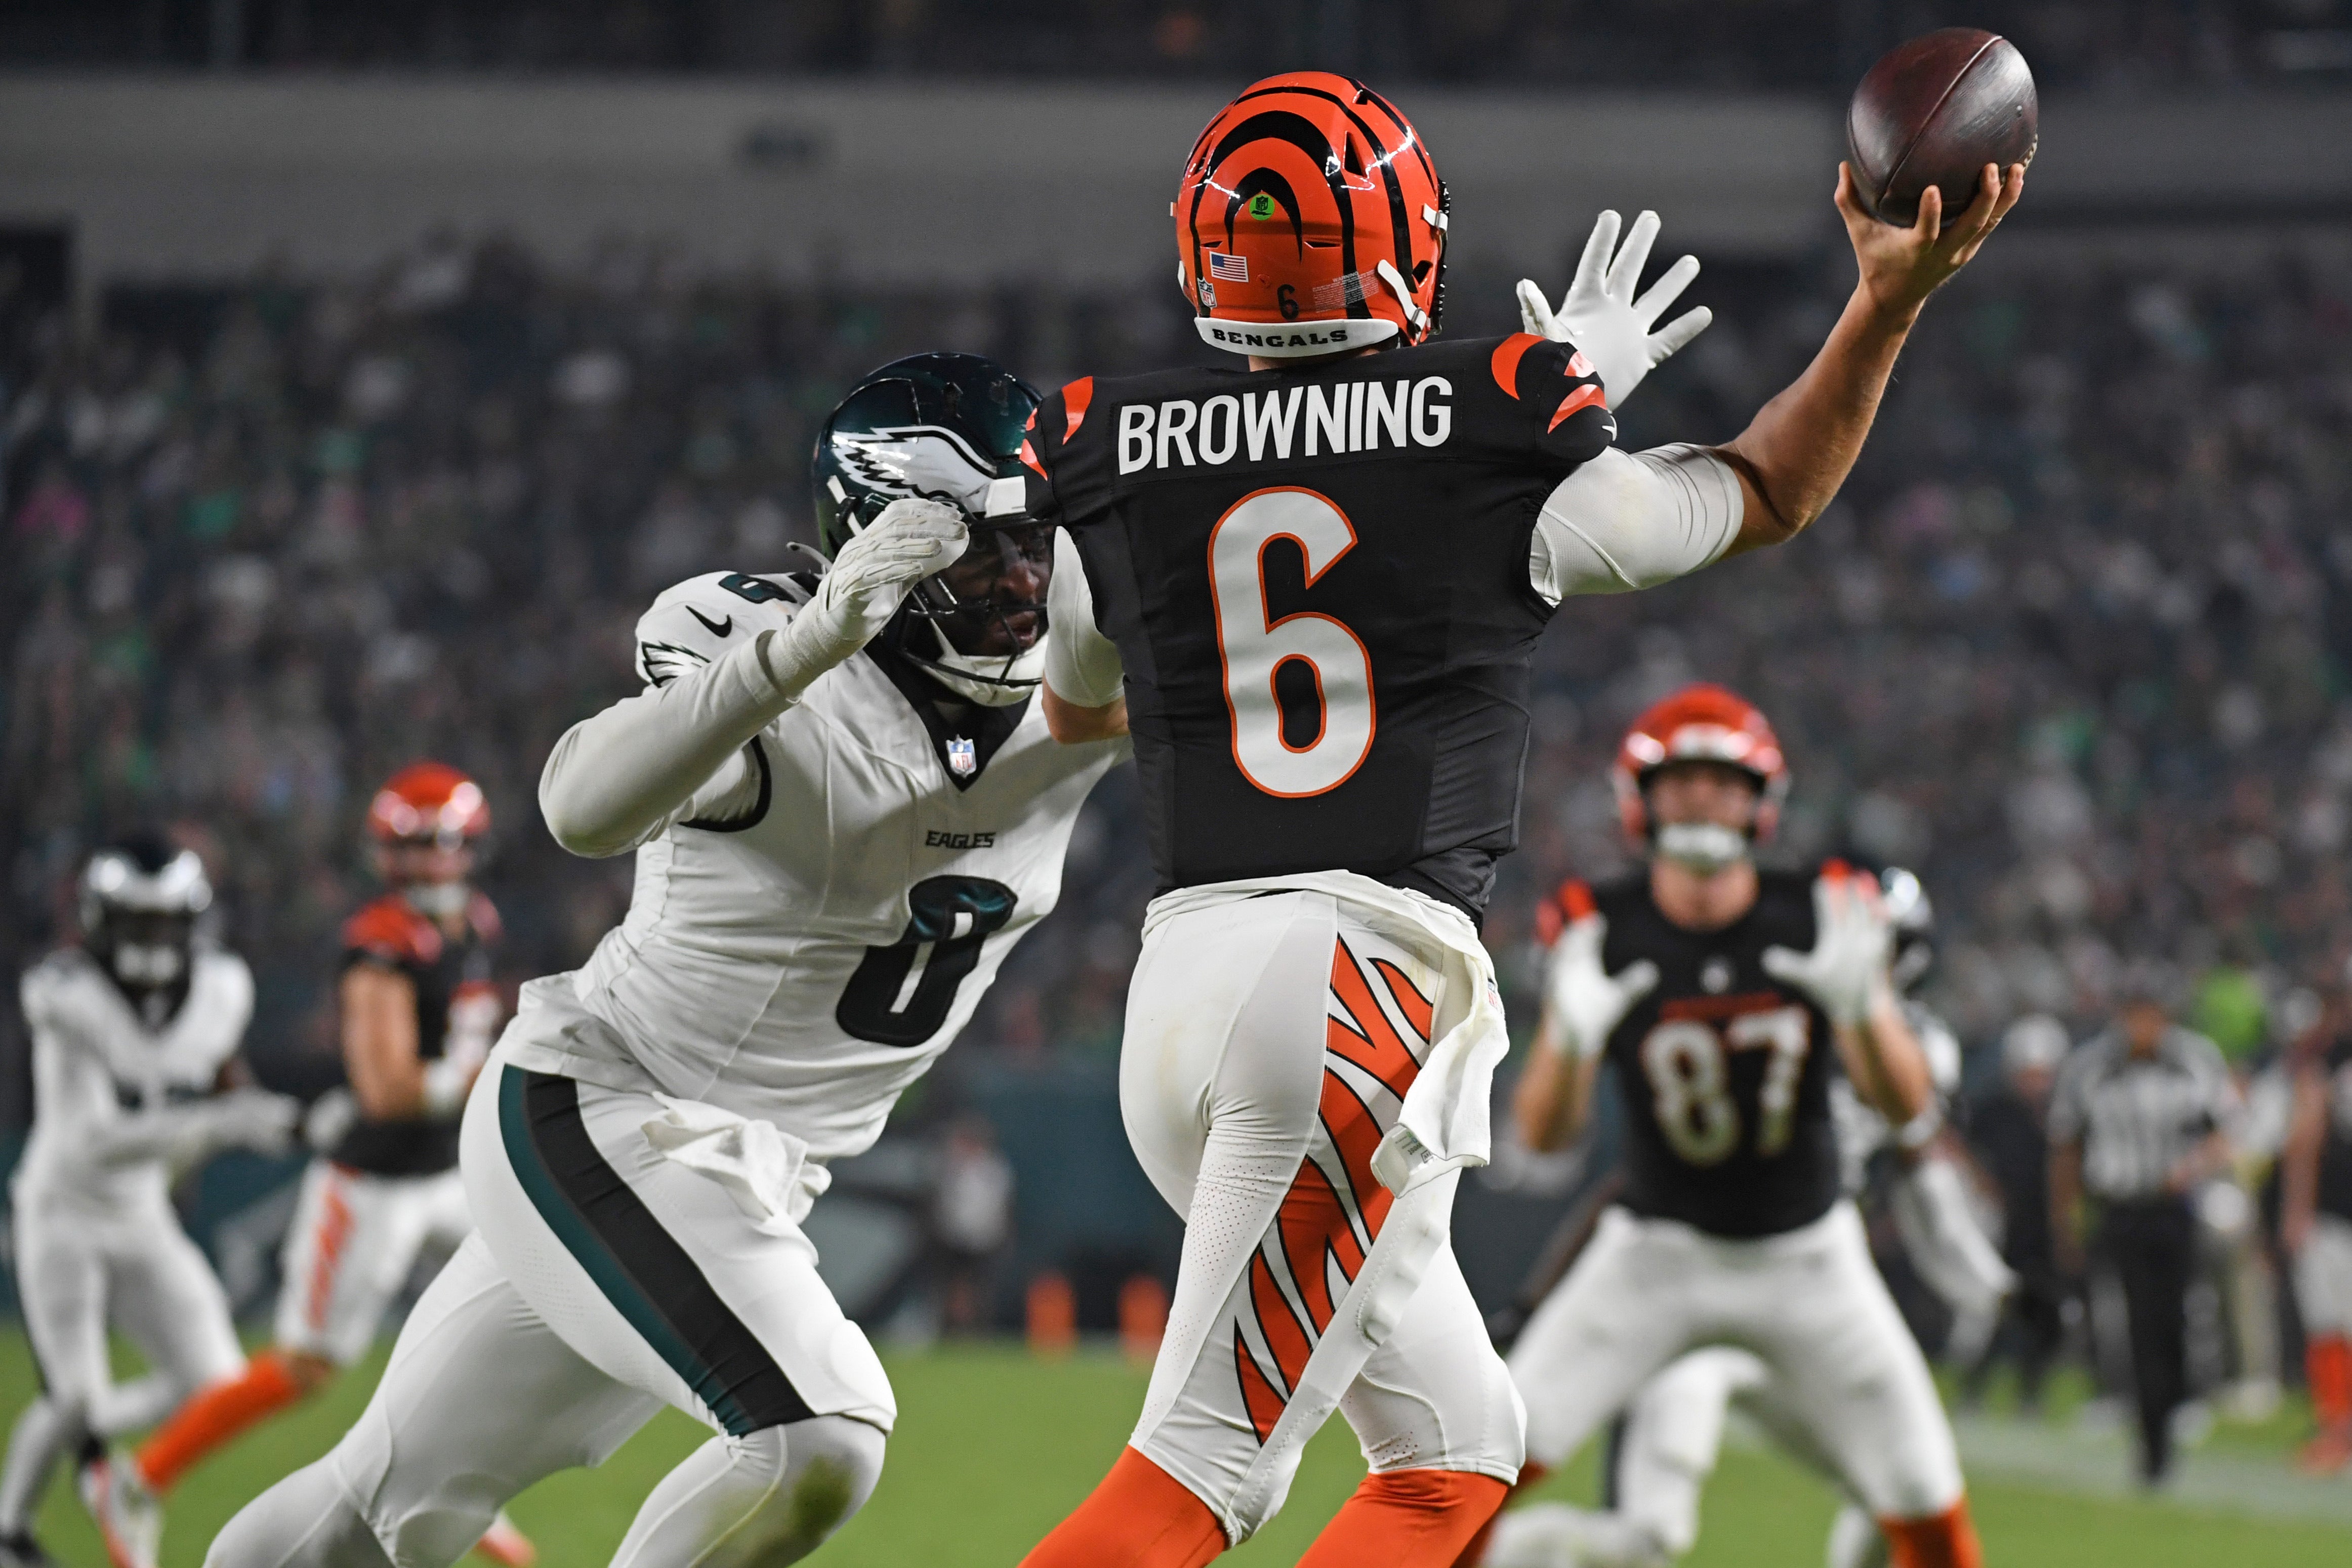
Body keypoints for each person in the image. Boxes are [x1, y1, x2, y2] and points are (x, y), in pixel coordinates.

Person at [1016, 71, 2021, 1568]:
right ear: (1407, 240)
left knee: (1455, 1453)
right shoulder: (1495, 419)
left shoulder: (1103, 443)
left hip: (1179, 993)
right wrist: (1882, 304)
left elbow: (1080, 704)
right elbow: (1764, 487)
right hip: (1342, 986)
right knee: (1199, 1474)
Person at [205, 352, 1130, 1568]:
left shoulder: (1081, 679)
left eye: (1035, 543)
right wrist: (804, 645)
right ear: (878, 543)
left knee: (379, 1512)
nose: (1020, 581)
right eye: (976, 552)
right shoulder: (774, 655)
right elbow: (579, 807)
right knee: (820, 1433)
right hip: (602, 1108)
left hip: (752, 1169)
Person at [1472, 688, 1976, 1568]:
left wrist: (1864, 1009)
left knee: (1932, 1516)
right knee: (1466, 1479)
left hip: (1808, 1254)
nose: (1702, 801)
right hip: (1654, 1253)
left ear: (1760, 800)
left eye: (1723, 782)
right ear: (1640, 799)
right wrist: (1568, 1036)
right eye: (1682, 781)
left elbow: (1905, 1107)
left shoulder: (1819, 911)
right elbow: (1544, 1140)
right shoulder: (1602, 926)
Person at [132, 765, 534, 1566]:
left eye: (443, 844)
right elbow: (387, 1089)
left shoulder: (476, 924)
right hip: (374, 1186)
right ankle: (143, 1476)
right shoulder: (381, 941)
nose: (429, 863)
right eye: (414, 847)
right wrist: (497, 1068)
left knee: (516, 1308)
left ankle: (439, 1474)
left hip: (444, 1174)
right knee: (306, 1366)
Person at [0, 836, 298, 1568]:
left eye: (165, 923)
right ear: (98, 921)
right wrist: (220, 1123)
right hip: (63, 1209)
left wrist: (278, 1116)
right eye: (137, 922)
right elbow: (95, 1142)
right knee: (73, 1397)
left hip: (142, 1213)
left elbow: (224, 1076)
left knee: (217, 1382)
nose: (152, 940)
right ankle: (11, 1530)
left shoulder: (220, 986)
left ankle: (110, 1469)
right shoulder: (65, 994)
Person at [2047, 971, 2238, 1486]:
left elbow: (2223, 1134)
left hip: (2175, 1208)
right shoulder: (2089, 1067)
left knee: (2174, 1316)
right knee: (2134, 1323)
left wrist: (2192, 1166)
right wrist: (2066, 1219)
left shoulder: (2195, 1060)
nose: (2143, 1025)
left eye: (2151, 1013)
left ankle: (2171, 1408)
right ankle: (2151, 1435)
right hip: (2119, 1208)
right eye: (2134, 1013)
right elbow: (2066, 1147)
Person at [1962, 1014, 2072, 1411]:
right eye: (2028, 1075)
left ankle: (2031, 1386)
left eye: (2042, 1075)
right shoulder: (1995, 1111)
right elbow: (1965, 1150)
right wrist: (1984, 1188)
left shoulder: (2063, 1113)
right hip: (2006, 1223)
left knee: (2045, 1310)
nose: (2035, 1084)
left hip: (2048, 1225)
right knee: (2001, 1307)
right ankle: (1975, 1384)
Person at [2278, 979, 2352, 1471]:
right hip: (2333, 1211)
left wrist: (2295, 1210)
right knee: (2329, 1323)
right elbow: (2306, 1138)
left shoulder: (2326, 1061)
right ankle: (2337, 1428)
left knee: (2330, 1324)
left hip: (2333, 1212)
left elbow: (2304, 1138)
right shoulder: (2328, 1060)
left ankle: (2337, 1430)